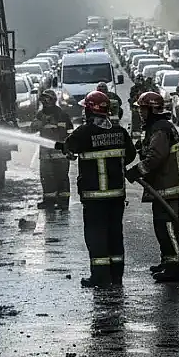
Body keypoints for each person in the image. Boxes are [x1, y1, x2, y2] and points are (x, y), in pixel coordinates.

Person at [62, 90, 137, 288]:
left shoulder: (84, 132)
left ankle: (100, 277)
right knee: (115, 235)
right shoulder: (119, 132)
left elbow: (69, 147)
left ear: (88, 110)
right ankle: (116, 277)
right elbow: (130, 155)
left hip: (94, 197)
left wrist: (66, 148)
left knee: (96, 236)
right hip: (116, 196)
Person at [126, 90, 179, 283]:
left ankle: (175, 267)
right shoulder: (155, 126)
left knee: (168, 226)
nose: (140, 112)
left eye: (142, 108)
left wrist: (136, 171)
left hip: (167, 185)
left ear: (152, 109)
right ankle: (167, 261)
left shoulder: (161, 128)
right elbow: (146, 148)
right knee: (161, 226)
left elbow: (156, 156)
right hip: (161, 185)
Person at [27, 89, 74, 209]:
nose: (45, 102)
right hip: (45, 155)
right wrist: (39, 123)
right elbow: (33, 129)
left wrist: (70, 149)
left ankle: (63, 202)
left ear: (53, 100)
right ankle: (49, 201)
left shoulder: (62, 115)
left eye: (47, 99)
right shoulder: (40, 114)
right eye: (43, 100)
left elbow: (70, 133)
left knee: (62, 178)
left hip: (61, 154)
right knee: (46, 178)